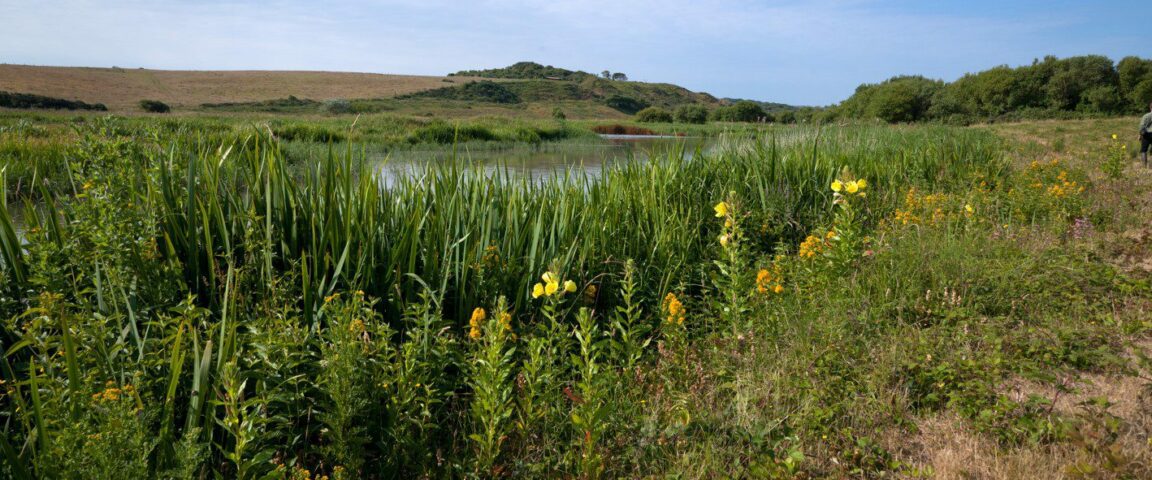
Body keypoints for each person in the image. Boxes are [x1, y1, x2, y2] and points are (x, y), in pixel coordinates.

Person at [1142, 102, 1152, 167]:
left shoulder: (1146, 116)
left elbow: (1141, 126)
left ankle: (1144, 166)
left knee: (1144, 150)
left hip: (1147, 134)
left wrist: (1140, 135)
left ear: (1150, 107)